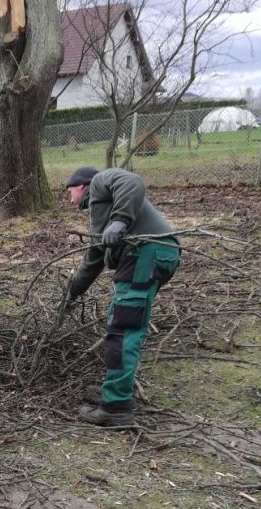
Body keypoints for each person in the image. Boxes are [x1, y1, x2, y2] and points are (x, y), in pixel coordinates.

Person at [65, 166, 180, 426]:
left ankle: (116, 407)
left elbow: (133, 182)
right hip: (151, 255)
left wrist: (120, 221)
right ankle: (114, 389)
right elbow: (94, 258)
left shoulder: (99, 182)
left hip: (145, 252)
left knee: (123, 330)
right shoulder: (101, 212)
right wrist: (71, 293)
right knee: (122, 324)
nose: (69, 199)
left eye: (69, 191)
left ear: (80, 186)